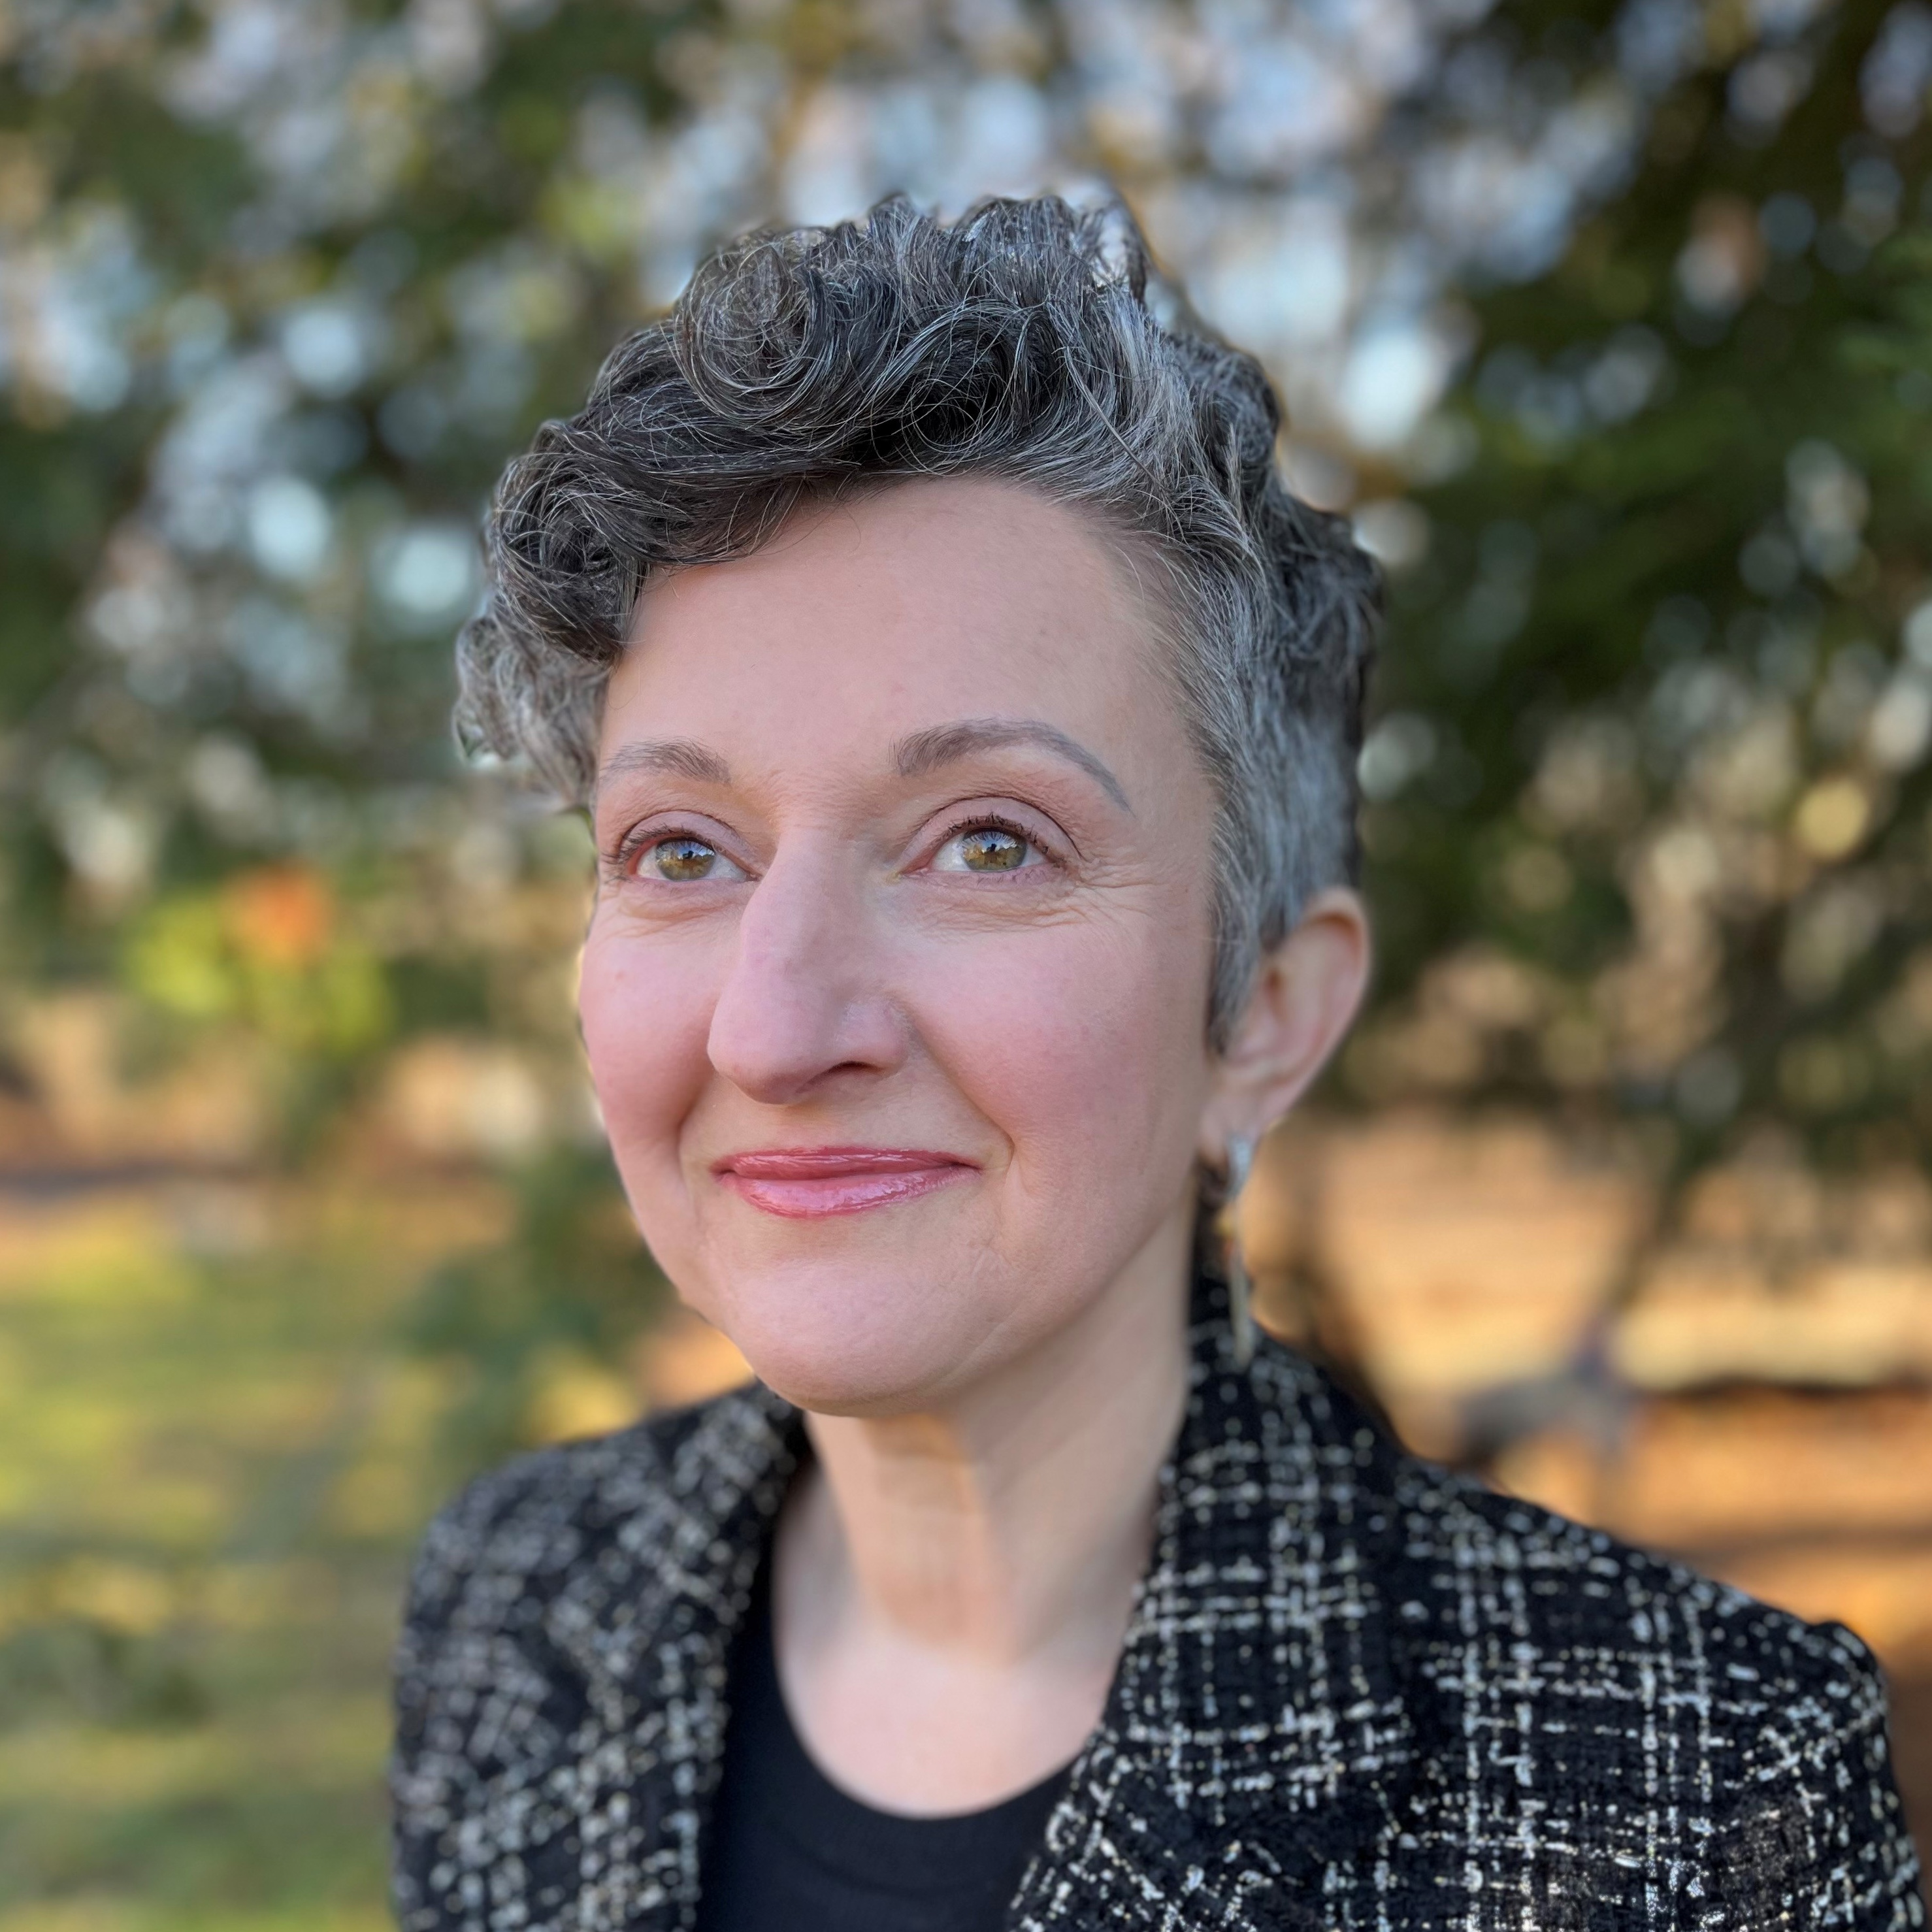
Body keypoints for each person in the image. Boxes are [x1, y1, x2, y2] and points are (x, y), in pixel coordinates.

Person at [389, 195, 1924, 1932]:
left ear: (1264, 1011)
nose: (773, 1027)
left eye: (988, 842)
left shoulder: (1697, 1804)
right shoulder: (509, 1610)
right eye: (679, 849)